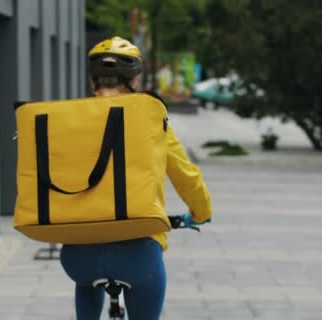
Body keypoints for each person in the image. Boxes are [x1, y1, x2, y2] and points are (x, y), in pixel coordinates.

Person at [59, 36, 212, 320]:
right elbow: (187, 176)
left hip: (77, 256)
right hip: (138, 255)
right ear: (135, 80)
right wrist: (201, 212)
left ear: (93, 79)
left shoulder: (68, 120)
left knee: (86, 279)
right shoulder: (153, 122)